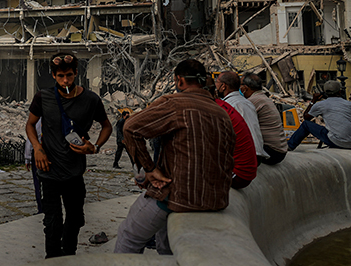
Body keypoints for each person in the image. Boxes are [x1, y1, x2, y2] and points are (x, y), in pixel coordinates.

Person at [115, 59, 235, 255]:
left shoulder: (175, 104)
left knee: (128, 236)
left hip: (179, 197)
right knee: (167, 246)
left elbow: (131, 127)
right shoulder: (222, 113)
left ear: (179, 81)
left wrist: (150, 169)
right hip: (215, 199)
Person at [26, 53, 112, 259]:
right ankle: (53, 258)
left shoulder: (91, 100)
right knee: (52, 222)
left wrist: (95, 147)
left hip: (74, 173)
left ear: (76, 74)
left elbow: (106, 126)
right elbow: (30, 124)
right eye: (61, 76)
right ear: (54, 76)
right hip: (49, 171)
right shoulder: (42, 97)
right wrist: (37, 148)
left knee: (75, 219)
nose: (66, 81)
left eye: (70, 76)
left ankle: (69, 255)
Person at [205, 77, 257, 189]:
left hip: (239, 174)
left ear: (223, 86)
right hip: (253, 163)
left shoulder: (217, 109)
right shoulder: (228, 104)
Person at [216, 71, 269, 160]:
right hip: (258, 153)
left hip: (246, 156)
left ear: (224, 86)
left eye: (217, 82)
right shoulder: (247, 103)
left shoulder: (228, 105)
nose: (216, 86)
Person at [288, 80, 351, 150]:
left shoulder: (321, 105)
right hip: (349, 142)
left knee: (306, 124)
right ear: (339, 91)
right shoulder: (348, 104)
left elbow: (306, 117)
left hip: (335, 141)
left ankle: (290, 146)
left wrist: (313, 100)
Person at [241, 72, 288, 164]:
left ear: (245, 88)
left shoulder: (252, 101)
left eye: (240, 85)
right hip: (279, 150)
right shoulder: (263, 98)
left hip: (271, 152)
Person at [24, 118, 43, 214]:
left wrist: (27, 158)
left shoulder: (37, 120)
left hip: (38, 155)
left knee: (38, 183)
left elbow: (31, 140)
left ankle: (41, 208)